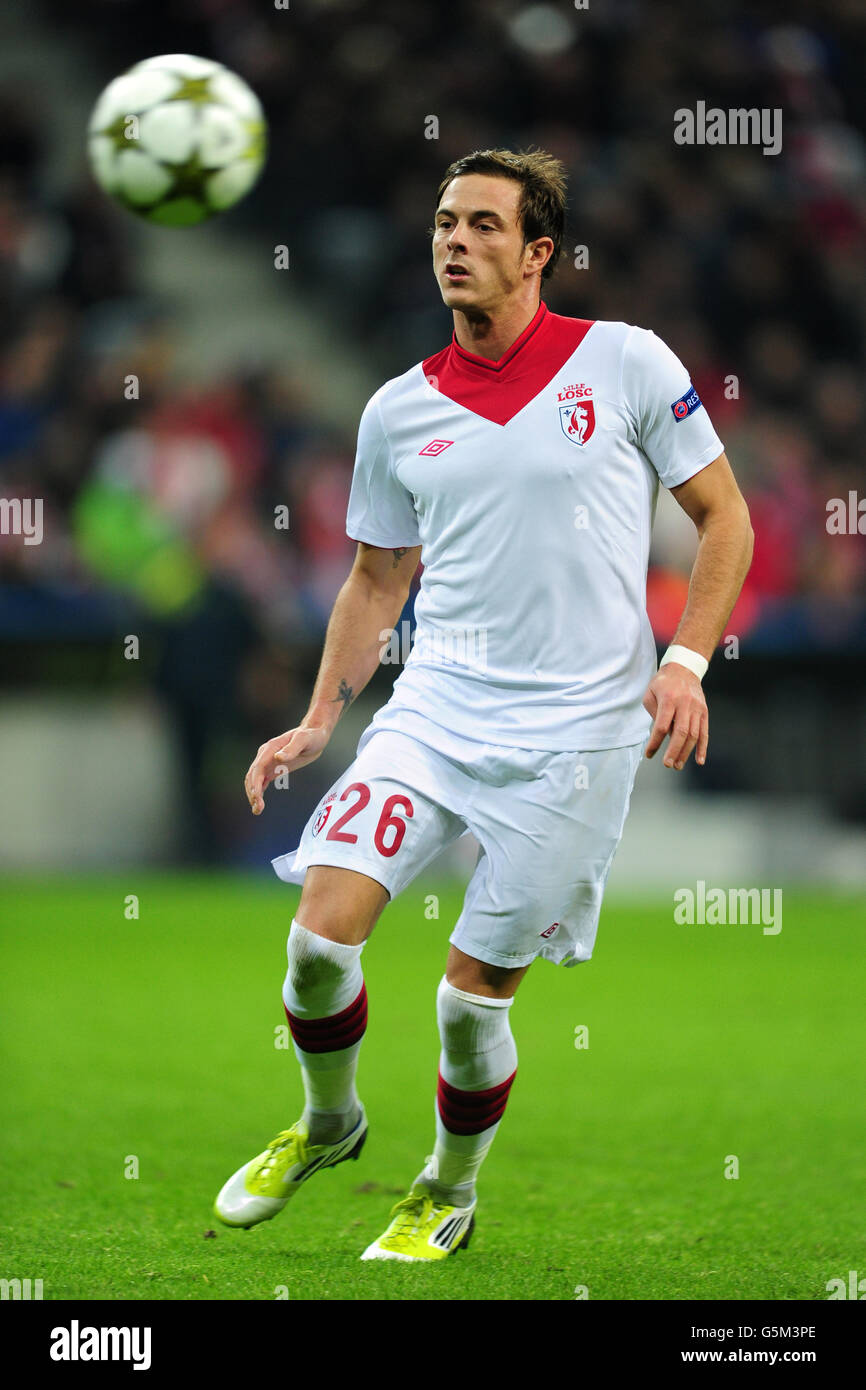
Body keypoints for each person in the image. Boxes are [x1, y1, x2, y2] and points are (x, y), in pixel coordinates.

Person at [213, 148, 754, 1262]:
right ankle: (327, 1121)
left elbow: (723, 519)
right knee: (316, 942)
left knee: (469, 1006)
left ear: (537, 251)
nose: (453, 242)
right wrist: (322, 718)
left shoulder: (625, 364)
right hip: (436, 711)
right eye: (443, 224)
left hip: (577, 739)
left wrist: (685, 662)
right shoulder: (397, 410)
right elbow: (375, 579)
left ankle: (446, 1189)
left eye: (481, 226)